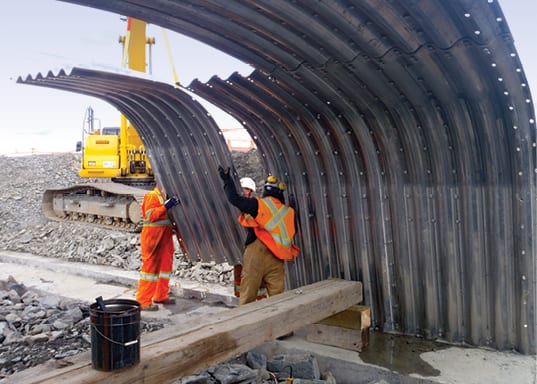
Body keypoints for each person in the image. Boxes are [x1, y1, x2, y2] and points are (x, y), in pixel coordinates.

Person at [218, 166, 299, 305]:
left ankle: (247, 324)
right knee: (278, 300)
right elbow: (293, 231)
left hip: (257, 254)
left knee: (248, 297)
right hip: (277, 259)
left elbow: (234, 199)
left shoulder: (259, 204)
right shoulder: (289, 212)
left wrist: (227, 179)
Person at [136, 184, 179, 311]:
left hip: (164, 238)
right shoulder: (152, 196)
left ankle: (161, 296)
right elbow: (151, 216)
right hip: (152, 238)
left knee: (165, 268)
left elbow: (165, 220)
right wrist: (166, 206)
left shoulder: (163, 198)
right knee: (150, 270)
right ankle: (143, 301)